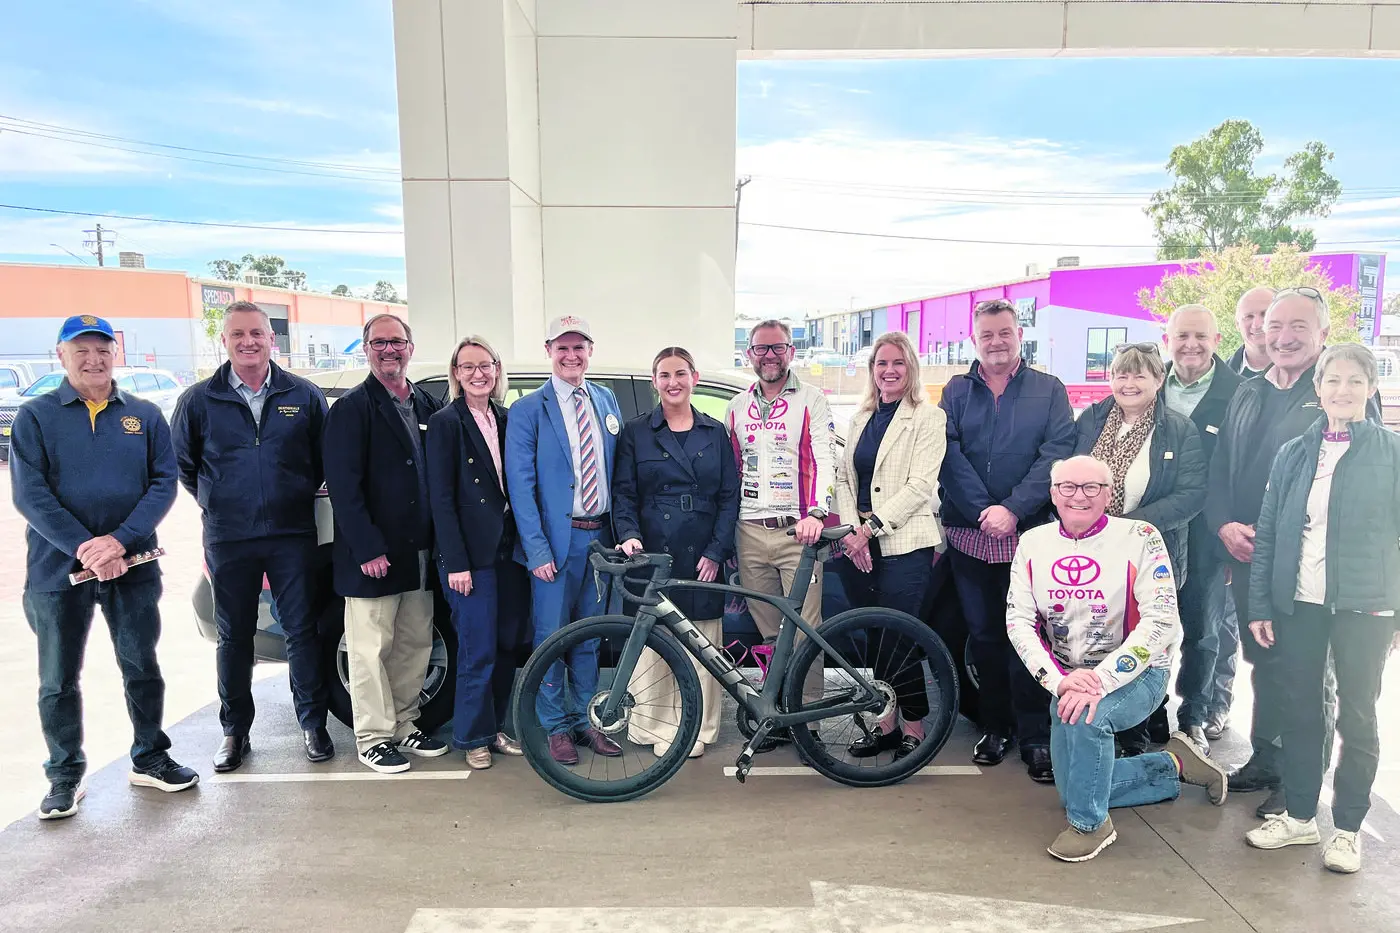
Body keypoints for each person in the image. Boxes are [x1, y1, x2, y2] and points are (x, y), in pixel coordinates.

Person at [12, 314, 198, 820]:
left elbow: (163, 483)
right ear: (62, 355)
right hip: (57, 570)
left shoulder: (143, 414)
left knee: (141, 665)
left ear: (115, 352)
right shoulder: (35, 417)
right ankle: (65, 775)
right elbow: (31, 496)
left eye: (102, 350)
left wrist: (118, 542)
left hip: (133, 564)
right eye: (81, 351)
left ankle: (150, 757)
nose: (93, 360)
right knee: (57, 678)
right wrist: (87, 548)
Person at [1205, 287, 1380, 817]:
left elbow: (1357, 486)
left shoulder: (1335, 391)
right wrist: (1223, 526)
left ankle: (1299, 786)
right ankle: (1267, 758)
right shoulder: (1248, 389)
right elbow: (1221, 466)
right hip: (1247, 554)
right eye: (1273, 325)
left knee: (1308, 675)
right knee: (1265, 661)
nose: (1281, 336)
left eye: (1298, 326)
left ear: (1323, 334)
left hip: (1306, 564)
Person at [1006, 455, 1227, 863]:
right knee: (1072, 787)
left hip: (1139, 673)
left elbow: (1162, 620)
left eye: (1092, 487)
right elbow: (1018, 621)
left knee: (1090, 720)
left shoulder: (1141, 535)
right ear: (1053, 494)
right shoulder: (1032, 542)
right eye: (1068, 487)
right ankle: (1174, 765)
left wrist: (1101, 681)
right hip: (1068, 677)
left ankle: (1091, 826)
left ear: (1109, 494)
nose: (1079, 496)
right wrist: (1060, 682)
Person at [1243, 344, 1400, 873]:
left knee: (1358, 715)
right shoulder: (1294, 452)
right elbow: (1267, 533)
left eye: (1355, 381)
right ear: (1318, 387)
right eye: (1333, 380)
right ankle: (1301, 815)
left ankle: (1349, 827)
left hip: (1367, 607)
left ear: (1372, 388)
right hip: (1300, 604)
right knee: (1301, 710)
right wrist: (1262, 601)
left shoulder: (1391, 452)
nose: (1343, 390)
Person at [171, 301, 333, 772]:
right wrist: (219, 501)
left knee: (302, 632)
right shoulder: (199, 400)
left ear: (271, 340)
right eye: (238, 334)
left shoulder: (302, 395)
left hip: (291, 534)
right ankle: (235, 731)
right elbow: (184, 465)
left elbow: (323, 458)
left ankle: (312, 724)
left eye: (257, 334)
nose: (248, 342)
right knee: (234, 636)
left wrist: (296, 491)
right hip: (229, 537)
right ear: (224, 341)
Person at [939, 298, 1076, 782]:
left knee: (1033, 637)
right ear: (973, 341)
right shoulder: (956, 391)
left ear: (1020, 335)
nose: (996, 342)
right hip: (969, 535)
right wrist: (984, 511)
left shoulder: (1049, 390)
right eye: (986, 335)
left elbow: (1056, 455)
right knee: (986, 637)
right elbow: (948, 454)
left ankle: (1036, 735)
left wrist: (1013, 509)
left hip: (1030, 537)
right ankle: (995, 728)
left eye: (1004, 333)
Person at [323, 313, 449, 774]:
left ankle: (404, 723)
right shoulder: (352, 410)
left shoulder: (428, 405)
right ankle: (373, 736)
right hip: (374, 554)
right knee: (370, 646)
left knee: (414, 642)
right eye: (379, 343)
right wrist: (368, 547)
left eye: (397, 342)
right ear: (366, 349)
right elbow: (344, 486)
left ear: (410, 348)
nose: (389, 350)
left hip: (420, 549)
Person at [1073, 341, 1206, 754]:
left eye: (1138, 374)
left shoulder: (1178, 429)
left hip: (1150, 553)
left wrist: (1127, 528)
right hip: (1093, 553)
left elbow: (1191, 495)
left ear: (1158, 379)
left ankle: (1137, 734)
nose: (1128, 383)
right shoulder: (1092, 420)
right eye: (1120, 374)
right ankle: (1103, 723)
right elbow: (1072, 474)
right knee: (1101, 640)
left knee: (1144, 643)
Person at [505, 315, 625, 765]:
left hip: (599, 542)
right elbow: (520, 486)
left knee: (590, 637)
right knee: (551, 637)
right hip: (555, 544)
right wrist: (536, 550)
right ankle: (554, 727)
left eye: (579, 347)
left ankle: (585, 720)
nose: (571, 356)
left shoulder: (606, 399)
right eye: (563, 348)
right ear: (549, 351)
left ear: (590, 350)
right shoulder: (528, 409)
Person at [614, 347, 740, 759]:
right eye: (665, 375)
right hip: (652, 551)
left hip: (702, 549)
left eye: (680, 373)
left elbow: (728, 496)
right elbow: (624, 493)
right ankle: (651, 725)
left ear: (694, 377)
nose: (673, 382)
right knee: (655, 641)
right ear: (654, 381)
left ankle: (697, 728)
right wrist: (629, 536)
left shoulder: (714, 431)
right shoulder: (635, 432)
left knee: (700, 641)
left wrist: (717, 551)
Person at [833, 331, 946, 758]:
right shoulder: (861, 417)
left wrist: (870, 528)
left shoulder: (927, 418)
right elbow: (845, 478)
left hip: (904, 543)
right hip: (858, 546)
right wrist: (850, 531)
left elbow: (921, 485)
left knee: (900, 637)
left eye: (898, 363)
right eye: (882, 363)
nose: (889, 370)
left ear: (910, 368)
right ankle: (886, 725)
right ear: (872, 370)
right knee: (874, 637)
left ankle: (913, 728)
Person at [425, 336, 530, 770]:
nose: (478, 374)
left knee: (508, 645)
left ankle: (495, 725)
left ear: (496, 369)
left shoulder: (505, 418)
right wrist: (456, 562)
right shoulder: (446, 422)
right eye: (467, 367)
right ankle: (471, 735)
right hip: (471, 557)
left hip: (510, 550)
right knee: (477, 648)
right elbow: (441, 499)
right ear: (456, 374)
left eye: (485, 365)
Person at [724, 319, 837, 720]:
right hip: (749, 532)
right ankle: (777, 715)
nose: (769, 356)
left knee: (806, 633)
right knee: (771, 634)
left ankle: (807, 720)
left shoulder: (812, 398)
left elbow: (827, 458)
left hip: (798, 532)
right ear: (749, 354)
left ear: (791, 351)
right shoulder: (736, 406)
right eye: (761, 349)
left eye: (778, 348)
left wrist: (817, 513)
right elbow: (730, 472)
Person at [1159, 305, 1243, 750]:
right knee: (1149, 623)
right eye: (1182, 335)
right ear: (1167, 338)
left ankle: (1194, 712)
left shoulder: (1240, 392)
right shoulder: (1151, 386)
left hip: (1208, 532)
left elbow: (1241, 470)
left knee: (1204, 629)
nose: (1190, 345)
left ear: (1216, 340)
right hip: (1153, 530)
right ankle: (1150, 710)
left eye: (1201, 336)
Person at [1227, 286, 1276, 379]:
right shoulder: (1220, 380)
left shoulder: (1308, 371)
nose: (1257, 324)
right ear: (1237, 324)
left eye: (1265, 314)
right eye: (1248, 316)